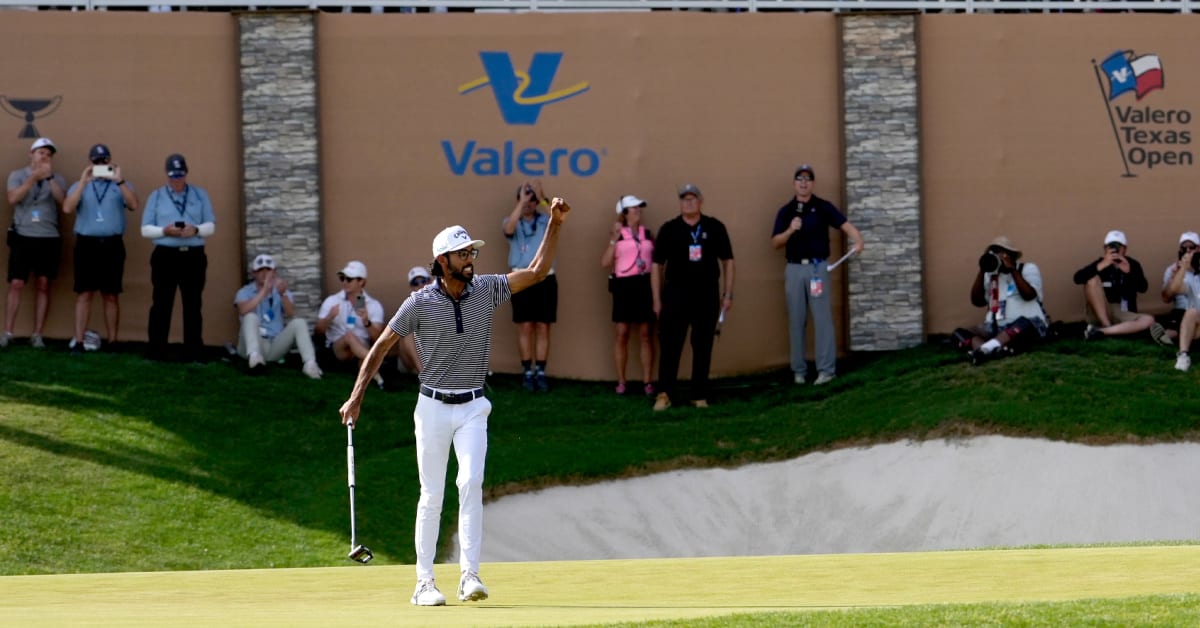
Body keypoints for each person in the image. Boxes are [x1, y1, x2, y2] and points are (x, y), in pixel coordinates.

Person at [337, 198, 571, 607]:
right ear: (442, 260)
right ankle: (423, 582)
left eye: (472, 252)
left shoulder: (487, 289)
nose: (471, 259)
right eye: (463, 253)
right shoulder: (419, 303)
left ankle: (469, 576)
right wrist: (356, 397)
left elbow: (535, 272)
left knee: (470, 483)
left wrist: (555, 222)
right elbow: (380, 346)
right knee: (432, 494)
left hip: (473, 408)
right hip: (431, 408)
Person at [769, 164, 865, 385]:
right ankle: (799, 371)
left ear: (812, 183)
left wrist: (858, 240)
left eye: (808, 179)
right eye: (799, 179)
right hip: (794, 269)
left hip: (817, 269)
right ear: (794, 183)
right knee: (796, 320)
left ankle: (826, 370)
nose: (803, 183)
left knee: (822, 320)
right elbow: (775, 242)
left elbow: (846, 226)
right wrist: (791, 230)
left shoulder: (823, 207)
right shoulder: (786, 211)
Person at [651, 184, 734, 411]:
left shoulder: (714, 227)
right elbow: (657, 265)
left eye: (693, 198)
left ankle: (699, 394)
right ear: (680, 203)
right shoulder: (669, 229)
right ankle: (665, 393)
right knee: (670, 345)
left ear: (701, 201)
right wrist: (657, 300)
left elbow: (728, 260)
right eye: (684, 199)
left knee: (703, 344)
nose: (688, 202)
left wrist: (728, 294)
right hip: (675, 293)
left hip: (706, 293)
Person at [62, 143, 139, 354]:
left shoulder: (120, 184)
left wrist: (119, 180)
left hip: (112, 244)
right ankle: (78, 341)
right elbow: (68, 208)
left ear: (111, 161)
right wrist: (82, 182)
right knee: (84, 293)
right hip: (87, 244)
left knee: (111, 294)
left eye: (104, 161)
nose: (100, 164)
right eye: (96, 161)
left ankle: (113, 341)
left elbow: (133, 204)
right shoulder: (80, 185)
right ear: (89, 162)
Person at [140, 153, 215, 362]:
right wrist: (164, 231)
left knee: (193, 304)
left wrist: (197, 229)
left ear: (186, 173)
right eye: (173, 176)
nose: (176, 180)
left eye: (180, 175)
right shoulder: (156, 196)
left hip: (193, 256)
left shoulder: (200, 195)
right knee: (161, 303)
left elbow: (211, 225)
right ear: (167, 175)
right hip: (165, 256)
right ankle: (156, 350)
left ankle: (194, 352)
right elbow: (145, 229)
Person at [4, 137, 66, 349]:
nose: (44, 157)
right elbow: (13, 198)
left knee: (43, 284)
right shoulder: (17, 175)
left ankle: (37, 334)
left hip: (48, 237)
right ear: (31, 154)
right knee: (17, 284)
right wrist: (32, 178)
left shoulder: (57, 178)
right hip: (23, 235)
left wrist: (48, 179)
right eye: (41, 153)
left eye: (48, 155)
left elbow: (63, 201)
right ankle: (9, 332)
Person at [950, 236, 1050, 365]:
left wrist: (1013, 270)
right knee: (960, 333)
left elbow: (1029, 295)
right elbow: (977, 301)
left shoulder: (1027, 269)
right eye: (993, 253)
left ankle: (983, 350)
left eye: (1000, 252)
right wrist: (982, 269)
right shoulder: (991, 275)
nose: (997, 257)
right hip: (995, 327)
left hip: (1028, 326)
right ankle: (993, 351)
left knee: (1023, 323)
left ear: (1011, 255)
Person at [502, 178, 557, 392]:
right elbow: (508, 229)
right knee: (525, 326)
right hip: (521, 276)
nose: (529, 204)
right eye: (525, 200)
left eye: (532, 200)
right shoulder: (512, 220)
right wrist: (521, 202)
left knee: (543, 326)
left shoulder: (544, 221)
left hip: (544, 278)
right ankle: (527, 370)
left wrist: (543, 198)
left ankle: (540, 371)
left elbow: (557, 216)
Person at [233, 253, 322, 379]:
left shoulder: (280, 290)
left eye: (268, 270)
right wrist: (263, 291)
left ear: (274, 272)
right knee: (250, 317)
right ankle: (254, 357)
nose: (264, 274)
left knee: (299, 322)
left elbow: (291, 313)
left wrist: (283, 294)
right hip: (251, 344)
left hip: (274, 344)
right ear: (254, 273)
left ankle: (310, 364)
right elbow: (243, 310)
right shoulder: (245, 291)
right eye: (260, 270)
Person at [601, 194, 655, 396]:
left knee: (645, 334)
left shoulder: (647, 233)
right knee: (621, 333)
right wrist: (614, 240)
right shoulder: (618, 233)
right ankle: (621, 381)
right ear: (624, 213)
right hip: (624, 286)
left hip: (644, 284)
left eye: (639, 207)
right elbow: (605, 262)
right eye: (633, 208)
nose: (638, 210)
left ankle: (648, 381)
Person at [1073, 230, 1154, 341]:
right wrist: (1102, 265)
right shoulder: (1100, 263)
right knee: (1091, 279)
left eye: (1118, 246)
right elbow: (1077, 278)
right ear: (1105, 249)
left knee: (1149, 320)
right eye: (1111, 246)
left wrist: (1129, 273)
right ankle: (1108, 326)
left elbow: (1143, 288)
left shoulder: (1132, 264)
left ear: (1125, 249)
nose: (1115, 250)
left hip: (1124, 311)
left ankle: (1102, 332)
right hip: (1101, 309)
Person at [316, 260, 386, 386]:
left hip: (361, 347)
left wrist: (366, 321)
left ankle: (377, 378)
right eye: (342, 278)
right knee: (349, 336)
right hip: (338, 347)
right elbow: (318, 331)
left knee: (363, 364)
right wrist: (329, 317)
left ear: (361, 282)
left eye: (349, 279)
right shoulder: (332, 301)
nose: (344, 282)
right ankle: (380, 374)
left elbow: (377, 337)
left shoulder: (373, 305)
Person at [1156, 231, 1199, 348]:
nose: (1188, 251)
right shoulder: (1172, 269)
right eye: (1184, 248)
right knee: (1176, 320)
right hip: (1180, 310)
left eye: (1192, 247)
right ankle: (1178, 336)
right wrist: (1175, 276)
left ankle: (1176, 337)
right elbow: (1166, 298)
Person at [397, 265, 430, 374]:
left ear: (430, 281)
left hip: (434, 355)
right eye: (415, 283)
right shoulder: (409, 305)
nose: (420, 285)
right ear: (412, 287)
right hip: (411, 360)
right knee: (406, 333)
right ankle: (423, 375)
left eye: (423, 281)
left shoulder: (442, 302)